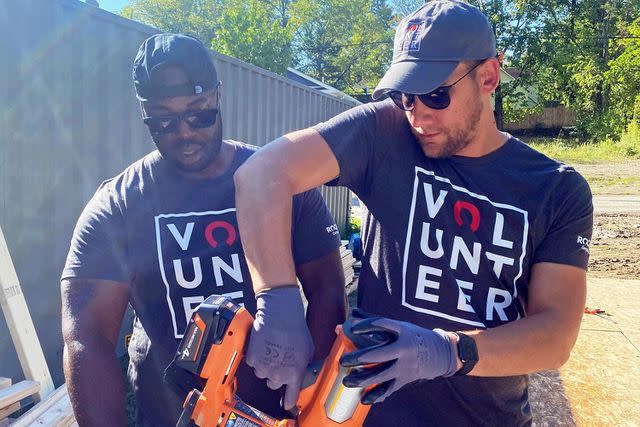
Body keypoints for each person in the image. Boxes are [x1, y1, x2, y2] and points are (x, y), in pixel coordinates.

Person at [233, 1, 593, 425]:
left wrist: (449, 351)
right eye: (405, 96)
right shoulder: (384, 135)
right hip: (368, 416)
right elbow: (262, 174)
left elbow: (556, 334)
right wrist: (276, 298)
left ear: (488, 77)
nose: (417, 113)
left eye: (436, 94)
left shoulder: (555, 189)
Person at [60, 33, 346, 427]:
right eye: (163, 120)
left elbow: (327, 289)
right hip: (167, 415)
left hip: (270, 416)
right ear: (143, 110)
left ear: (217, 95)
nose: (184, 132)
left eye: (199, 113)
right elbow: (87, 340)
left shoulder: (280, 184)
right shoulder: (119, 206)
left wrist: (309, 399)